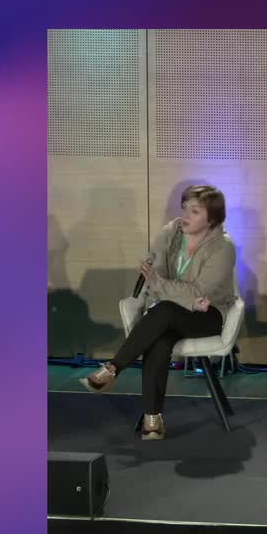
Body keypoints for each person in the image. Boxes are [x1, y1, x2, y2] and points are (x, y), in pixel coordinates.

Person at [80, 185, 238, 440]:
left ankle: (112, 369)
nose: (185, 215)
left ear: (211, 218)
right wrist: (176, 292)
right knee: (161, 339)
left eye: (195, 211)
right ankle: (153, 420)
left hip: (208, 316)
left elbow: (198, 291)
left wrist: (163, 286)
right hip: (169, 313)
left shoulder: (223, 247)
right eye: (184, 208)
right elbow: (155, 273)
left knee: (164, 310)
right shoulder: (171, 232)